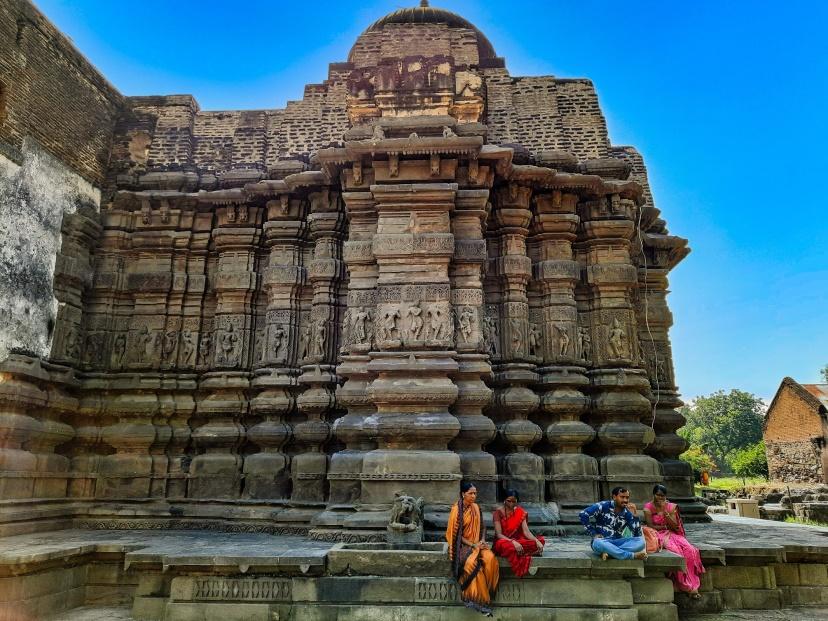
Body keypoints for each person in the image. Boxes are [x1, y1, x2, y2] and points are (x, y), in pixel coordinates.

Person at [446, 482, 500, 616]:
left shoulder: (476, 507)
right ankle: (479, 601)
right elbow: (456, 536)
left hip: (477, 544)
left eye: (475, 493)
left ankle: (489, 592)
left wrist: (482, 541)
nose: (474, 496)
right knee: (472, 564)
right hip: (463, 546)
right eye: (471, 493)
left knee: (490, 558)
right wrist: (472, 545)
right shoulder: (456, 510)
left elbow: (482, 527)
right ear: (463, 494)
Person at [644, 485, 704, 598]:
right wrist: (664, 527)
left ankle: (693, 583)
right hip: (658, 535)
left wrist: (665, 512)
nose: (660, 498)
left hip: (673, 533)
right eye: (658, 495)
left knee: (690, 550)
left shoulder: (671, 507)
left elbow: (675, 526)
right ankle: (685, 585)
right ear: (653, 495)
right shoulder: (648, 507)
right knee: (676, 551)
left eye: (663, 496)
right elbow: (650, 526)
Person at [579, 486, 648, 561]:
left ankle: (610, 553)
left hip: (618, 542)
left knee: (640, 542)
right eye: (622, 497)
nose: (625, 500)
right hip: (602, 541)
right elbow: (583, 514)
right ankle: (630, 556)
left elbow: (637, 534)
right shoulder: (603, 506)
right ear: (614, 497)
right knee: (597, 543)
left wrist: (634, 516)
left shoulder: (627, 512)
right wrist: (593, 533)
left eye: (627, 498)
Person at [492, 489, 545, 577]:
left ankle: (521, 551)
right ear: (504, 500)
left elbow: (526, 532)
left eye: (514, 501)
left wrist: (536, 541)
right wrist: (513, 542)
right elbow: (499, 534)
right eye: (509, 501)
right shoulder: (497, 513)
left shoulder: (520, 512)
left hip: (518, 541)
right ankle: (526, 552)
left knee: (541, 540)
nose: (511, 504)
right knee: (506, 546)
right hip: (503, 541)